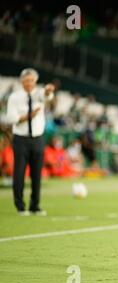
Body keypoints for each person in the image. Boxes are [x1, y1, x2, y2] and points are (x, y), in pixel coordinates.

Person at [5, 68, 55, 216]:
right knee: (19, 173)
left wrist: (48, 90)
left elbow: (47, 96)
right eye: (26, 80)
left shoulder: (38, 94)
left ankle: (35, 205)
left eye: (32, 80)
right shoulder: (14, 97)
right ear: (22, 81)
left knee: (36, 173)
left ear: (35, 81)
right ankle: (20, 205)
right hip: (21, 139)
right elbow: (11, 119)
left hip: (38, 139)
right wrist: (28, 116)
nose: (29, 83)